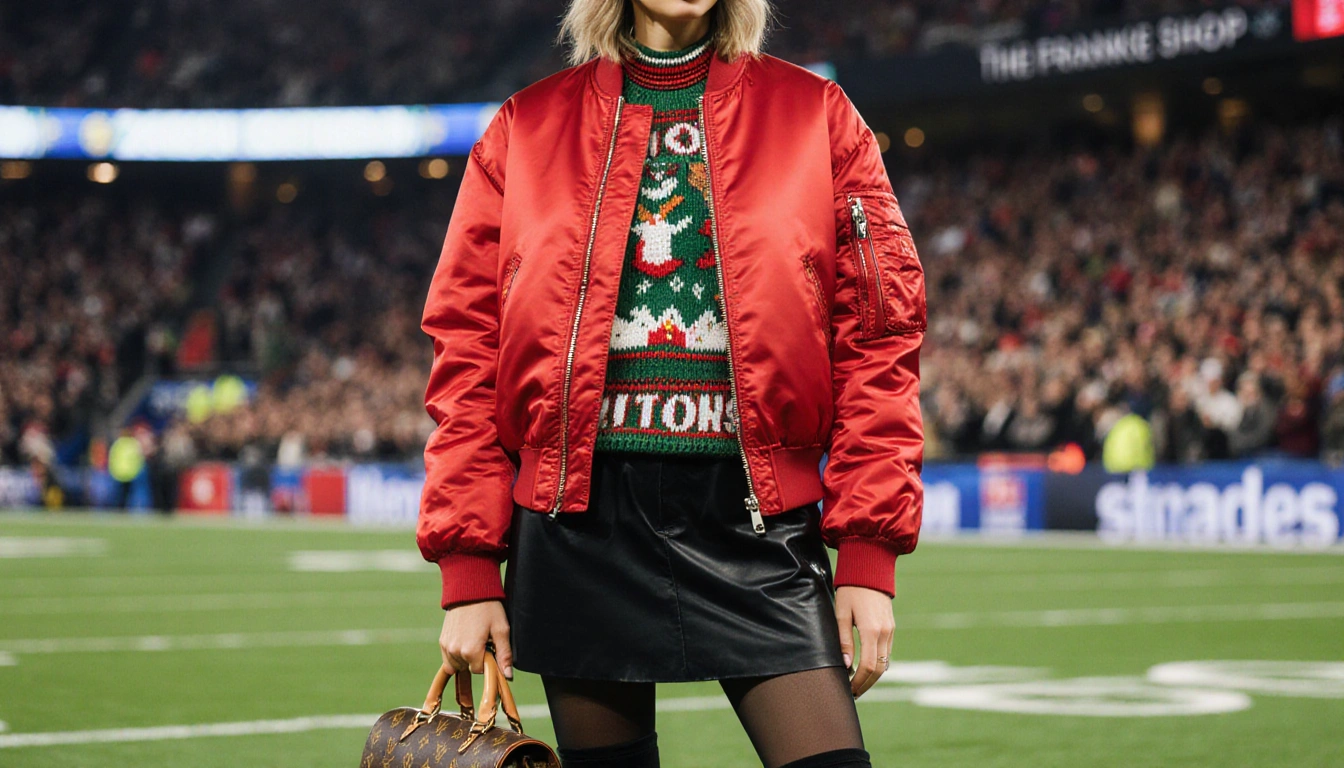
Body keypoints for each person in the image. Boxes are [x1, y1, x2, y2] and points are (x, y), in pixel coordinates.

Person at [415, 1, 926, 766]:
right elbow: (467, 355)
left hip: (757, 523)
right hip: (575, 526)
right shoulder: (524, 128)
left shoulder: (817, 115)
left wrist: (867, 553)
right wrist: (468, 571)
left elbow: (879, 339)